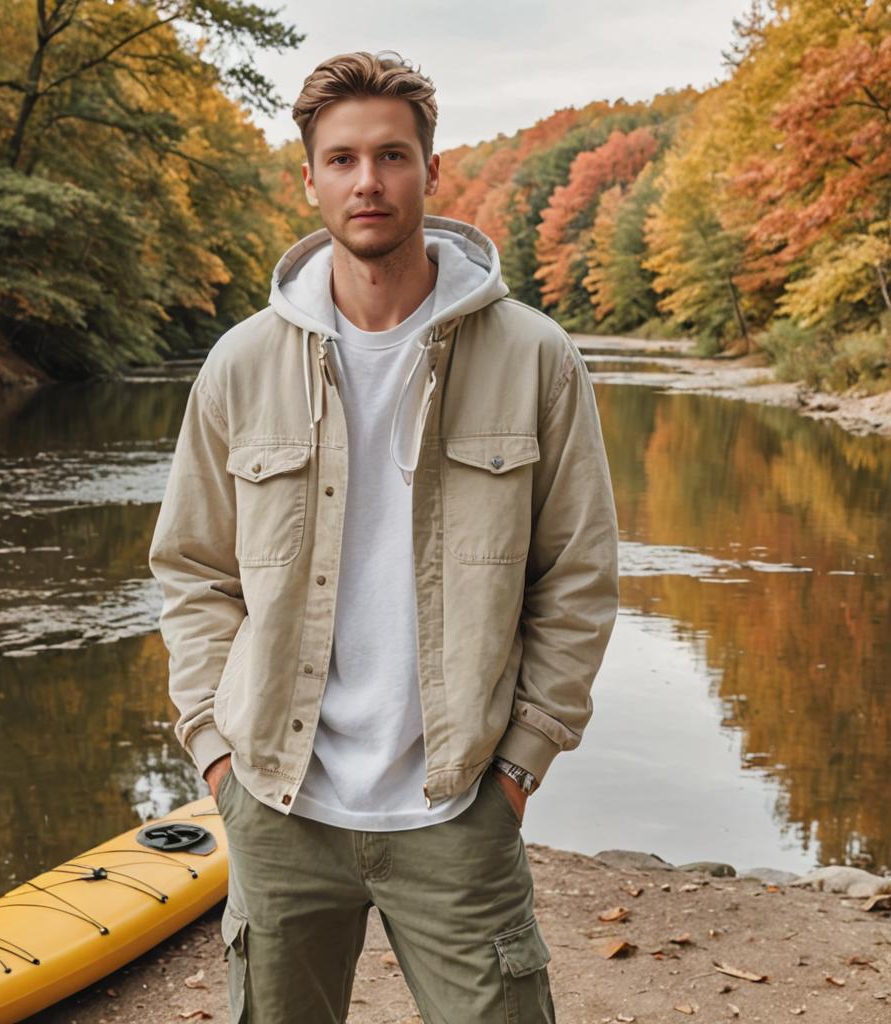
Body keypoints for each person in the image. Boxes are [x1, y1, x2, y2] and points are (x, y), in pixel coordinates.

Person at [148, 49, 619, 1024]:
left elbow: (577, 576)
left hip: (456, 806)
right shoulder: (240, 365)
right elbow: (191, 570)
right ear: (309, 177)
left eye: (393, 156)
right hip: (279, 807)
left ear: (431, 173)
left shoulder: (534, 357)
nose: (369, 180)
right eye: (344, 158)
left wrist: (521, 760)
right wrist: (215, 752)